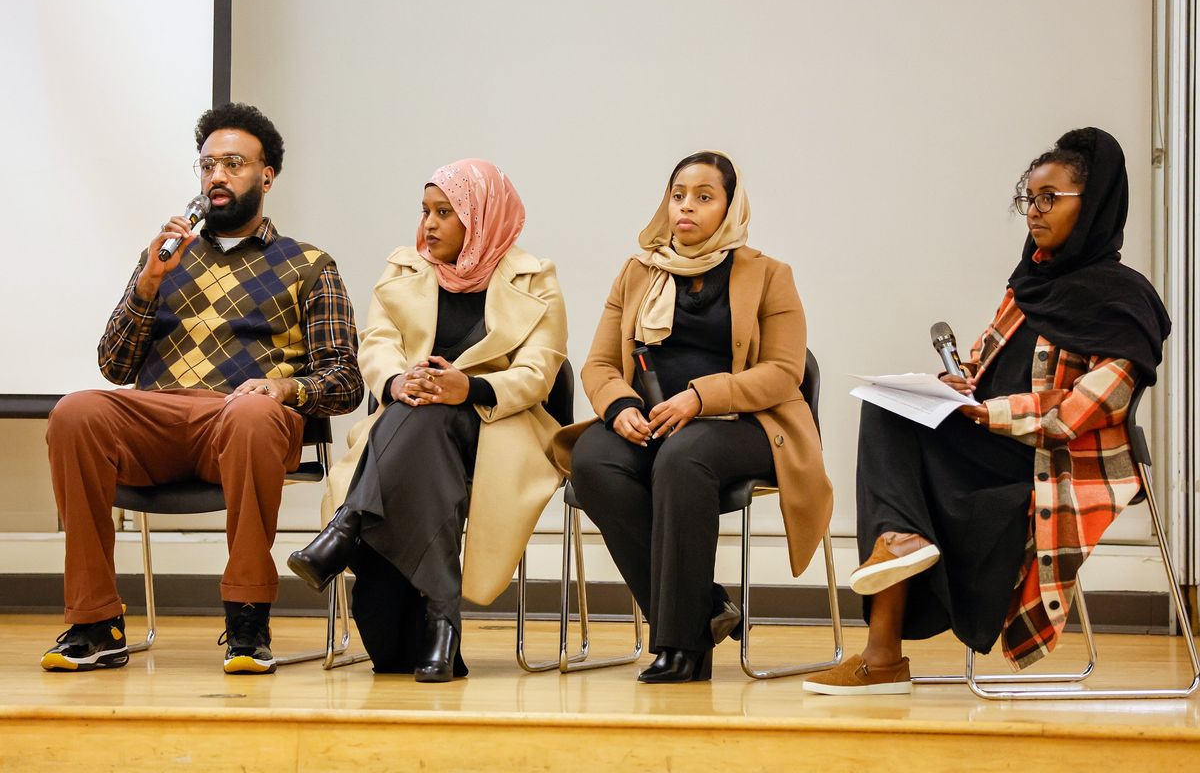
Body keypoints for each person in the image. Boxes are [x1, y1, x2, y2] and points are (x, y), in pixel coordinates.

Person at [804, 128, 1171, 695]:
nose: (1034, 211)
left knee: (897, 467)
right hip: (988, 442)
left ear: (1093, 203)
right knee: (886, 408)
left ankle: (884, 651)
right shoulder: (1029, 285)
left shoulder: (1125, 299)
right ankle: (899, 554)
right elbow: (981, 362)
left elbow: (1088, 409)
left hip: (1048, 463)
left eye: (1050, 198)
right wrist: (953, 385)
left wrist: (992, 412)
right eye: (1029, 198)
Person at [41, 103, 364, 675]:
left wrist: (283, 390)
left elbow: (344, 381)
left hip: (242, 421)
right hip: (156, 422)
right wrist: (147, 284)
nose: (218, 175)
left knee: (250, 416)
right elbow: (114, 366)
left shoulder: (310, 265)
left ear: (267, 176)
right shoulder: (165, 259)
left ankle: (248, 618)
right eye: (208, 165)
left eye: (234, 164)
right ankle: (95, 622)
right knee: (74, 413)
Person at [552, 151, 833, 683]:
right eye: (678, 195)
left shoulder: (770, 275)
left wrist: (700, 398)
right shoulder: (638, 272)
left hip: (749, 426)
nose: (687, 206)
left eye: (704, 197)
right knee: (593, 460)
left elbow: (783, 372)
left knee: (683, 458)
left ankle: (682, 647)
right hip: (656, 421)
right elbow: (600, 364)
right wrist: (620, 406)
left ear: (730, 206)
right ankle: (702, 611)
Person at [288, 159, 567, 682]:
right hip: (414, 430)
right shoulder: (404, 269)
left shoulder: (535, 278)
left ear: (480, 218)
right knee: (424, 420)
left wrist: (469, 387)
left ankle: (349, 524)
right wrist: (397, 382)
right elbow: (377, 345)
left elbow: (540, 372)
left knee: (429, 416)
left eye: (445, 212)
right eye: (425, 211)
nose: (429, 224)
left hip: (496, 424)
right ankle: (442, 619)